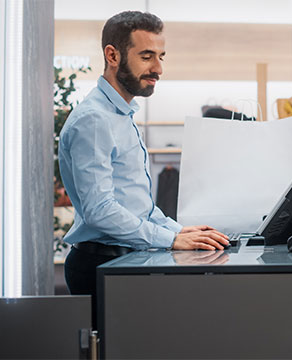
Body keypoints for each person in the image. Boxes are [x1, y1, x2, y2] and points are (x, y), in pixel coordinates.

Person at [58, 11, 229, 327]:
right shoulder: (94, 120)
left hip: (122, 258)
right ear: (113, 55)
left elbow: (137, 205)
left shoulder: (120, 115)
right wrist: (169, 239)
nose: (159, 69)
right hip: (101, 262)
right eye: (147, 56)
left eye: (161, 56)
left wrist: (177, 230)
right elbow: (100, 210)